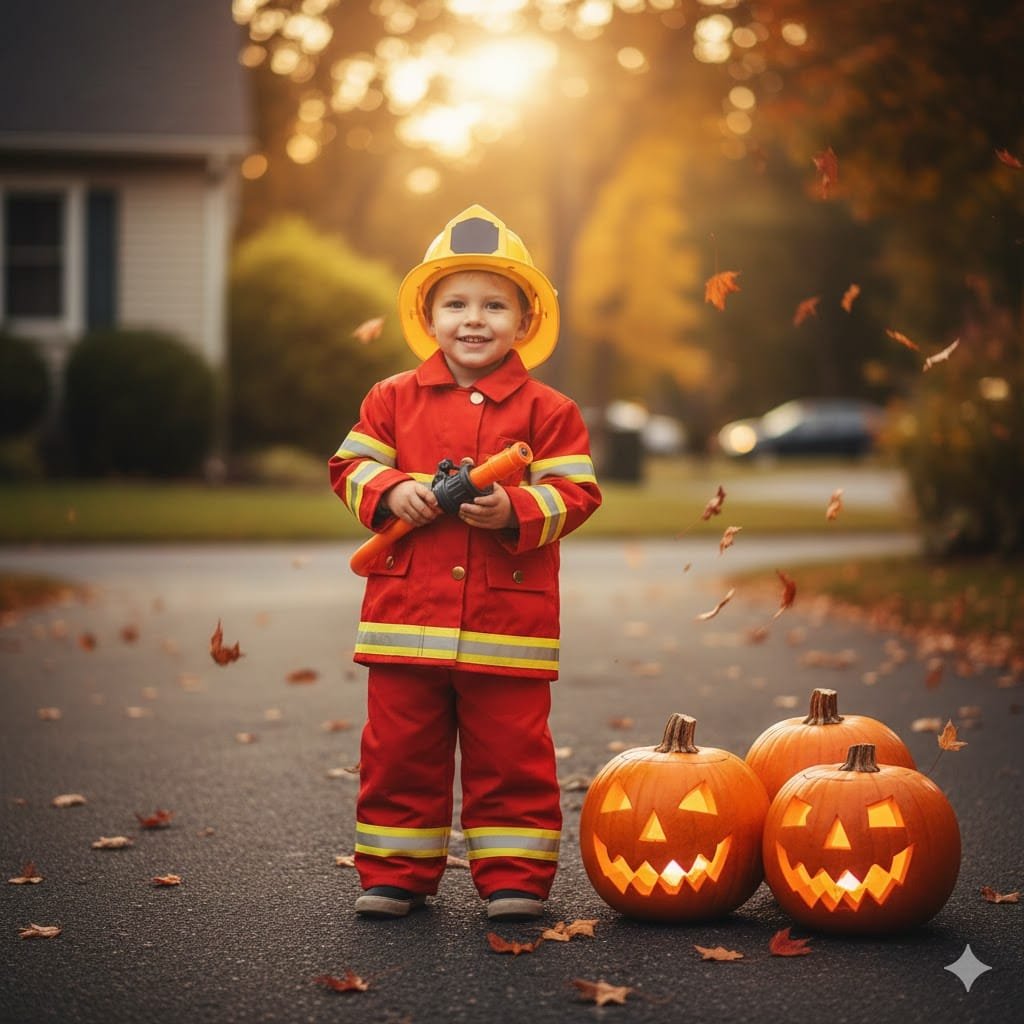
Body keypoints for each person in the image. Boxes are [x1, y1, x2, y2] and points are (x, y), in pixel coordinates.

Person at [329, 205, 602, 921]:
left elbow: (577, 492)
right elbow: (349, 467)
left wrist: (516, 509)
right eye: (455, 304)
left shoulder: (551, 411)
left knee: (511, 754)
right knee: (399, 751)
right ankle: (395, 871)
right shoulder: (391, 399)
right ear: (429, 314)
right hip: (403, 621)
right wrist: (394, 491)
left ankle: (514, 875)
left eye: (493, 305)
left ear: (524, 321)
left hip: (506, 623)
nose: (473, 320)